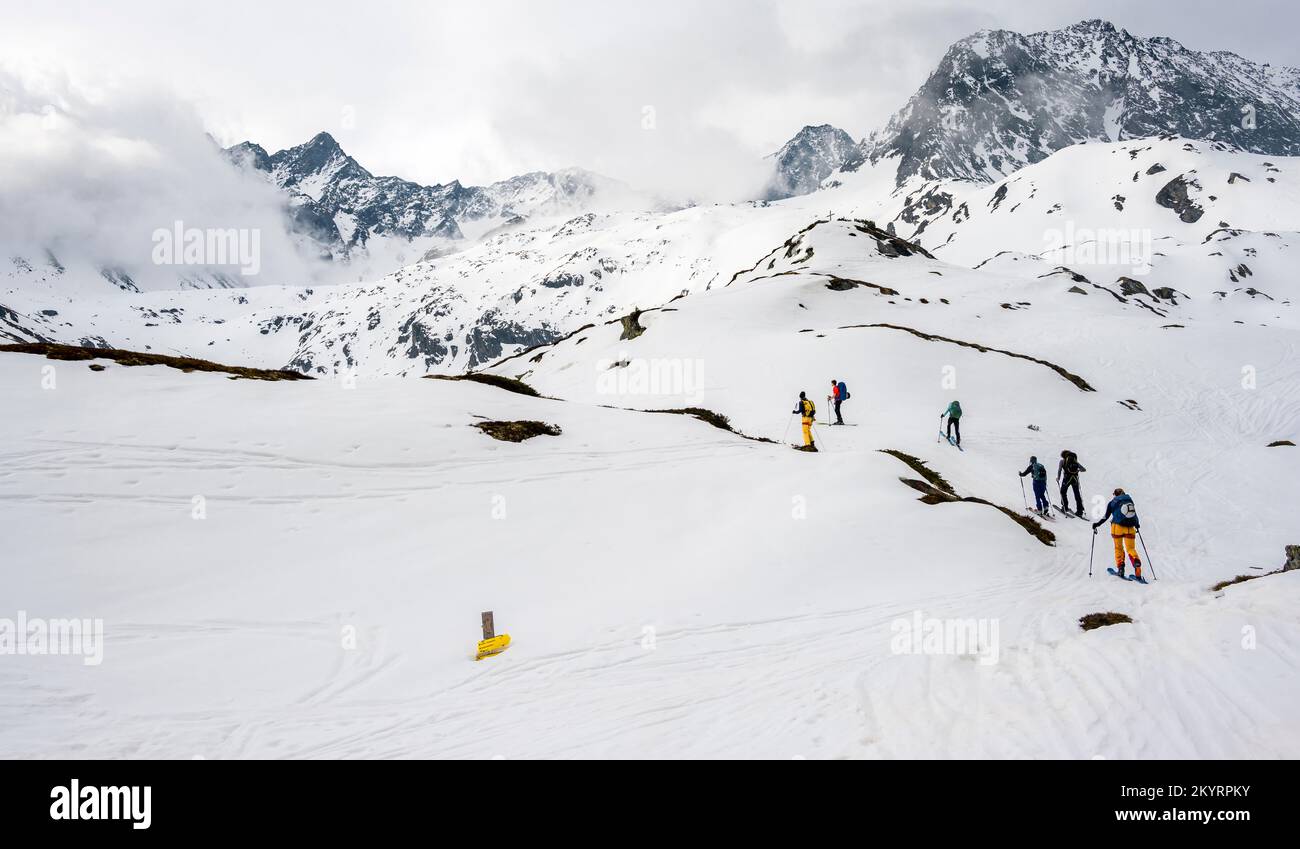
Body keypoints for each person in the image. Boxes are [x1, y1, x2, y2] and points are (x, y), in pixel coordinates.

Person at [1093, 488, 1143, 581]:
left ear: (1115, 494)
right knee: (1131, 549)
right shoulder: (1129, 500)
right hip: (1130, 528)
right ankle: (1137, 570)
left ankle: (1121, 569)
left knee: (1118, 548)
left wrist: (1097, 524)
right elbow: (1134, 514)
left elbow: (1106, 516)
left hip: (1117, 528)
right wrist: (1137, 525)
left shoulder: (1113, 502)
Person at [1057, 450, 1086, 517]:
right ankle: (1080, 511)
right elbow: (1084, 469)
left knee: (1063, 492)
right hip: (1075, 479)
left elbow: (1059, 470)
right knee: (1077, 494)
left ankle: (1065, 507)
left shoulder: (1062, 461)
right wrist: (1078, 470)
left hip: (1067, 479)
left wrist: (1058, 478)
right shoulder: (1075, 461)